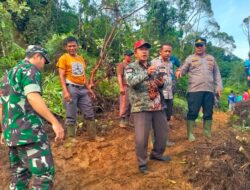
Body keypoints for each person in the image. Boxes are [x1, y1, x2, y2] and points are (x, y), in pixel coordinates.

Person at [0, 45, 65, 189]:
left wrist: (3, 131)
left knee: (20, 174)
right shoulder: (30, 70)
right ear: (37, 56)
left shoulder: (7, 75)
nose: (43, 65)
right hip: (29, 132)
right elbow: (33, 97)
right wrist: (54, 122)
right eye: (43, 60)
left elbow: (2, 106)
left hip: (12, 134)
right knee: (44, 175)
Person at [125, 39, 171, 174]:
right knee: (141, 138)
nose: (144, 51)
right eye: (141, 49)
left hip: (157, 105)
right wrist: (147, 73)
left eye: (146, 49)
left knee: (162, 134)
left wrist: (161, 82)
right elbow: (130, 81)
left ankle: (156, 154)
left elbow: (161, 85)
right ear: (136, 52)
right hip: (141, 107)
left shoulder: (153, 65)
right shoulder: (131, 67)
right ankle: (142, 163)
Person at [175, 37, 223, 141]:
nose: (199, 47)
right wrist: (179, 72)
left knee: (208, 112)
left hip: (209, 90)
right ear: (195, 47)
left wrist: (219, 87)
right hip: (194, 90)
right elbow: (183, 69)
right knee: (193, 112)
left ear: (205, 46)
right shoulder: (190, 58)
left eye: (201, 45)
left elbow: (217, 74)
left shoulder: (211, 59)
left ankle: (207, 133)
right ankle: (190, 134)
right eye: (197, 45)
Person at [57, 36, 98, 140]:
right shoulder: (64, 58)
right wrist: (65, 91)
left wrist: (89, 89)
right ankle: (71, 138)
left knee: (89, 111)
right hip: (71, 88)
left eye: (74, 46)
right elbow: (61, 75)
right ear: (66, 47)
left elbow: (83, 75)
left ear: (77, 46)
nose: (72, 48)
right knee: (71, 113)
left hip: (82, 89)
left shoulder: (80, 58)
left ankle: (93, 136)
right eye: (69, 46)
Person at [151, 43, 175, 146]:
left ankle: (163, 140)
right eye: (166, 51)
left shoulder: (170, 63)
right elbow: (151, 77)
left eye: (169, 51)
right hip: (159, 95)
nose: (168, 53)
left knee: (167, 117)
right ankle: (155, 141)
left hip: (169, 94)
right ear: (161, 51)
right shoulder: (154, 62)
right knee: (158, 118)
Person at [116, 50, 134, 128]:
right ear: (125, 56)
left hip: (132, 86)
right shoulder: (121, 65)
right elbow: (119, 76)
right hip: (125, 86)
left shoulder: (132, 65)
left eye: (131, 55)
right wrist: (121, 87)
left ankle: (127, 121)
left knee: (130, 104)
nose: (130, 57)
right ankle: (122, 121)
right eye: (129, 55)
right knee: (124, 103)